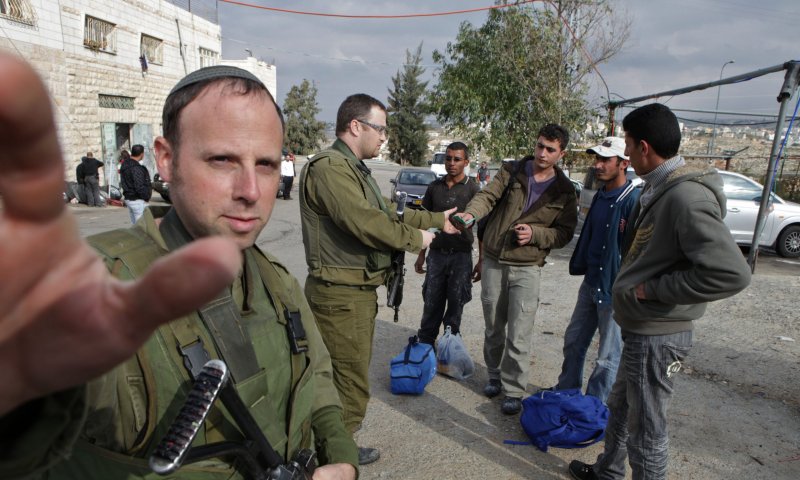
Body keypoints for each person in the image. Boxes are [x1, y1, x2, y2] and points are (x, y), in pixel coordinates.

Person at [0, 58, 357, 480]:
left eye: (265, 164)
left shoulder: (274, 278)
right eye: (222, 160)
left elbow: (316, 378)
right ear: (166, 160)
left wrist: (342, 458)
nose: (250, 191)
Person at [568, 104, 751, 480]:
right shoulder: (659, 188)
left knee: (647, 429)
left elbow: (732, 273)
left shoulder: (687, 198)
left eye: (630, 148)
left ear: (645, 148)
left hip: (659, 334)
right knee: (619, 408)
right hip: (640, 328)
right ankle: (609, 472)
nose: (628, 156)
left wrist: (653, 289)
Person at [299, 93, 457, 465]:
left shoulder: (352, 169)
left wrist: (437, 220)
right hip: (340, 294)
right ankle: (334, 460)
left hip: (352, 291)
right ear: (356, 126)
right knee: (349, 384)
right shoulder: (330, 168)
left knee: (343, 378)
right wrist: (419, 240)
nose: (384, 136)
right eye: (380, 128)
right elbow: (367, 222)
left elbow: (388, 211)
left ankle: (331, 450)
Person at [452, 124, 578, 416]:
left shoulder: (564, 191)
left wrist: (535, 234)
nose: (543, 154)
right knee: (494, 326)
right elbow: (487, 197)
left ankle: (513, 390)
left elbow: (564, 233)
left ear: (562, 153)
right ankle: (494, 375)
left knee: (519, 332)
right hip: (495, 261)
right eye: (540, 146)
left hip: (527, 268)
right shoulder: (511, 171)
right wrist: (471, 214)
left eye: (550, 149)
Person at [554, 137, 640, 403]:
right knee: (574, 341)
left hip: (613, 290)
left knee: (607, 357)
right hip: (591, 283)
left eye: (605, 160)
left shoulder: (632, 200)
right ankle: (567, 393)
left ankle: (594, 407)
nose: (598, 165)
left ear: (624, 163)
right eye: (597, 159)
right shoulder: (601, 195)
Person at [414, 141, 479, 346]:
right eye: (448, 158)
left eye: (457, 159)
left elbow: (483, 227)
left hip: (461, 256)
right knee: (431, 302)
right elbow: (424, 222)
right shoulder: (435, 187)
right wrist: (421, 254)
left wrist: (482, 261)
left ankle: (449, 348)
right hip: (437, 254)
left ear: (466, 162)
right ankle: (424, 347)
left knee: (456, 303)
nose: (451, 163)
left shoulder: (473, 190)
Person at [119, 143, 152, 224]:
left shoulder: (124, 164)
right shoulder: (136, 168)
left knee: (135, 225)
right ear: (141, 154)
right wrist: (146, 197)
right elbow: (139, 186)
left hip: (129, 198)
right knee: (142, 226)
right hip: (137, 199)